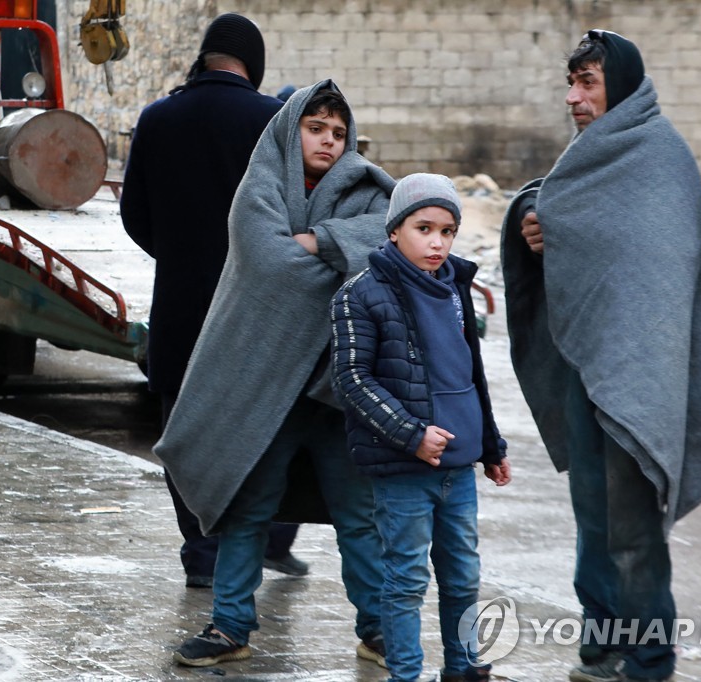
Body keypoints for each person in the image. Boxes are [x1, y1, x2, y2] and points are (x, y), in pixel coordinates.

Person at [500, 30, 701, 682]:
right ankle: (600, 644)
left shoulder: (660, 156)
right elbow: (556, 204)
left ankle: (649, 658)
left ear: (622, 84)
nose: (573, 97)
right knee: (592, 518)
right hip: (587, 367)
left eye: (587, 83)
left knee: (634, 531)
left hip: (641, 372)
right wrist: (531, 215)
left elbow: (666, 261)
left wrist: (554, 220)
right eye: (571, 82)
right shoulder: (589, 153)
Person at [158, 80, 395, 668]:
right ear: (294, 131)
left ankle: (379, 628)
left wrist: (322, 239)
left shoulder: (369, 189)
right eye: (317, 129)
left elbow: (391, 246)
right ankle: (230, 626)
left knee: (358, 516)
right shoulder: (260, 187)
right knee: (248, 506)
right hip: (265, 387)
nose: (329, 142)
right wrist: (341, 263)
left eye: (339, 133)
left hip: (338, 388)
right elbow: (268, 267)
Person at [119, 13, 307, 589]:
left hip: (180, 305)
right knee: (265, 425)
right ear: (254, 64)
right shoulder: (271, 120)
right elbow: (295, 213)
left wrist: (179, 255)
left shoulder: (157, 118)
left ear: (205, 57)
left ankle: (202, 552)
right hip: (255, 306)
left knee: (184, 428)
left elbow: (134, 215)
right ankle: (262, 540)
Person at [330, 173, 511, 682]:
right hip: (404, 467)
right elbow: (351, 379)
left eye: (447, 231)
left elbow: (469, 375)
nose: (437, 242)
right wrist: (411, 434)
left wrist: (490, 445)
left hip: (459, 469)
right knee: (406, 579)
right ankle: (404, 674)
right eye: (423, 228)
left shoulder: (456, 288)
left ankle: (463, 668)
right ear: (394, 230)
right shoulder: (360, 294)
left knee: (463, 577)